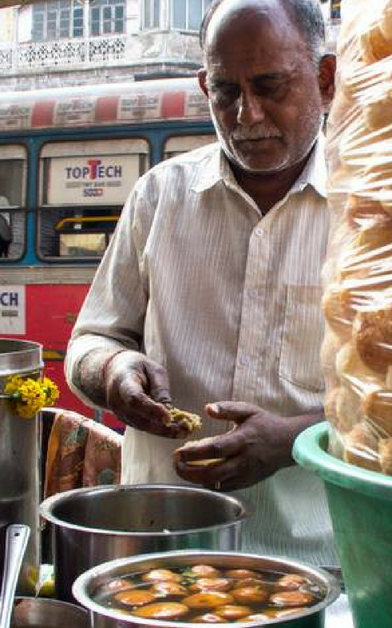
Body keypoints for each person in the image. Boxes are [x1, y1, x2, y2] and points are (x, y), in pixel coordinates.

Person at [65, 0, 337, 566]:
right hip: (162, 546)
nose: (247, 115)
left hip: (319, 558)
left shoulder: (372, 209)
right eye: (226, 92)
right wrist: (114, 373)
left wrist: (293, 439)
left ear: (326, 79)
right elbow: (90, 343)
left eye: (270, 86)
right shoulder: (159, 196)